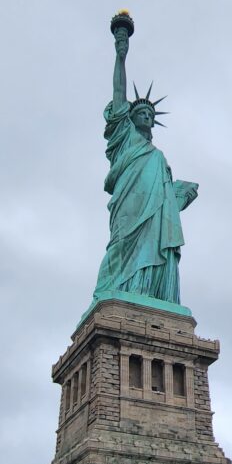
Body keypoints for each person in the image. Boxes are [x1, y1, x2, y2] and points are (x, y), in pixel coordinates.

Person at [92, 22, 198, 306]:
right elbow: (118, 91)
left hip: (155, 214)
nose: (146, 115)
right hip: (130, 205)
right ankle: (111, 294)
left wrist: (178, 195)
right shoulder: (125, 139)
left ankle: (149, 294)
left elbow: (167, 201)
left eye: (150, 113)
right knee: (122, 245)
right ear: (129, 117)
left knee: (155, 245)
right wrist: (121, 52)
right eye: (140, 111)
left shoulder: (158, 157)